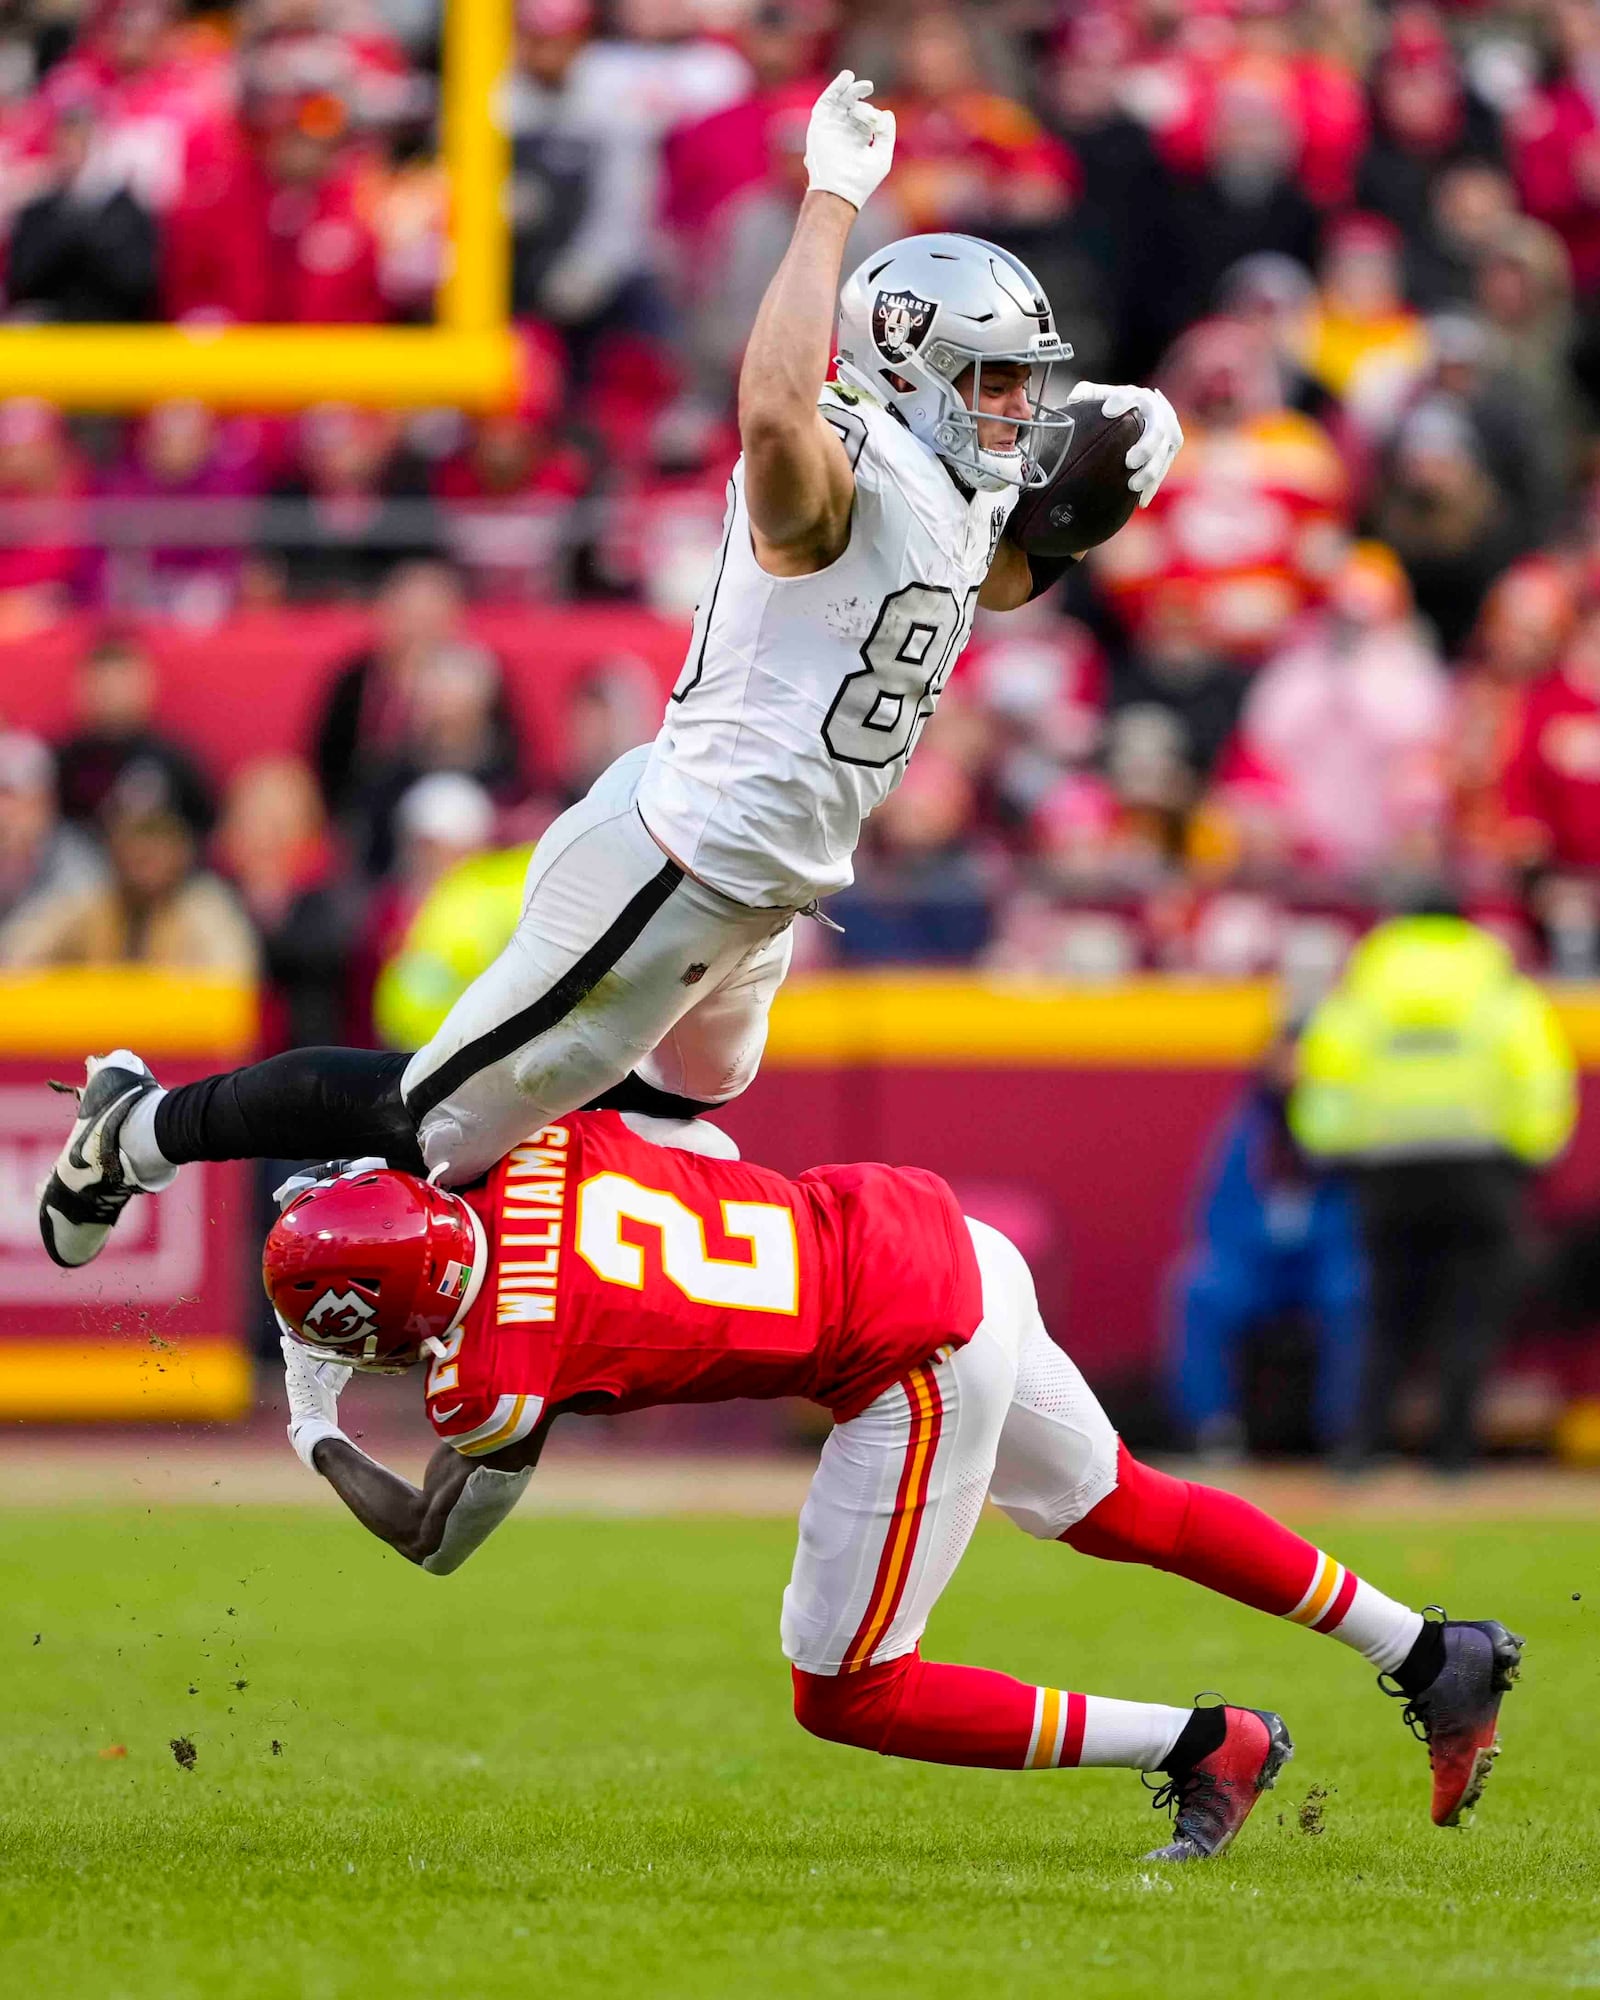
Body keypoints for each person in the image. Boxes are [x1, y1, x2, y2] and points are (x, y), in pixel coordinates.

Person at [41, 70, 1183, 1270]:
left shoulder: (952, 494)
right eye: (995, 379)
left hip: (763, 887)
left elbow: (995, 578)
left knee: (687, 1101)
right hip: (682, 861)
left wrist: (1097, 504)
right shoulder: (837, 468)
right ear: (907, 361)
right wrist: (831, 199)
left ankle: (516, 1220)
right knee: (431, 1116)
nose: (1018, 409)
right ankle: (137, 1130)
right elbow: (776, 415)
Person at [265, 1109, 1522, 1854]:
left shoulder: (491, 1375)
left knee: (847, 1689)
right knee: (1116, 1503)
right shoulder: (526, 1136)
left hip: (904, 1350)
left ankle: (1210, 1742)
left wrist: (315, 1421)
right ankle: (1425, 1649)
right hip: (935, 1232)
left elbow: (435, 1537)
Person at [1291, 907, 1577, 1471]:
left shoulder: (1364, 989)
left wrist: (1338, 1152)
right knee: (1469, 1316)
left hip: (1385, 1175)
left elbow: (1323, 1079)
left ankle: (1365, 1448)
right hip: (1482, 1172)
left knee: (1383, 1313)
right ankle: (1452, 1453)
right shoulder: (1499, 989)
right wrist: (1527, 1154)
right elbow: (1540, 1076)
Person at [1170, 1028, 1365, 1458]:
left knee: (1351, 1291)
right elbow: (1217, 1210)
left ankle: (1344, 1430)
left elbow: (1352, 1207)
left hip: (1321, 1259)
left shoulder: (1344, 1125)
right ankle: (1212, 1428)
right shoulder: (1246, 1129)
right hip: (1254, 1263)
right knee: (1200, 1290)